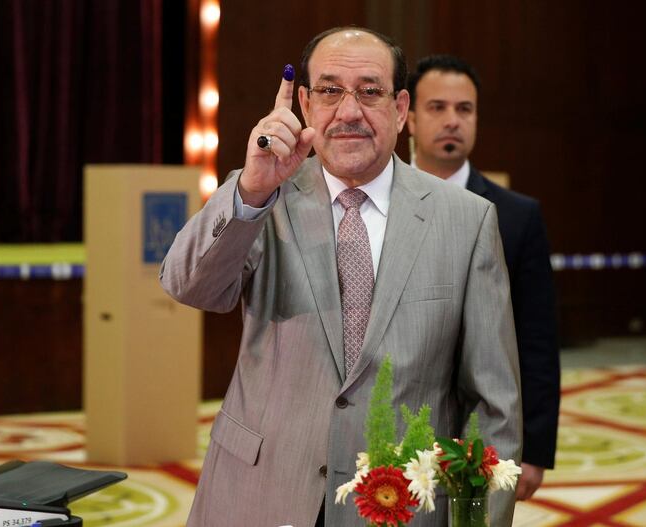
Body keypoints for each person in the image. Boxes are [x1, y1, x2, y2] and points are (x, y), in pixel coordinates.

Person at [160, 28, 521, 526]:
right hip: (262, 493)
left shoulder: (467, 220)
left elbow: (493, 404)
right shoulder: (265, 196)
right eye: (330, 91)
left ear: (399, 109)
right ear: (305, 104)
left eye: (369, 91)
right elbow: (187, 285)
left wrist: (478, 518)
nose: (349, 111)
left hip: (404, 506)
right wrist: (253, 186)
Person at [407, 54, 561, 500]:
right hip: (389, 417)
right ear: (408, 117)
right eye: (437, 108)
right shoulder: (377, 206)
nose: (452, 120)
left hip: (479, 427)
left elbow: (536, 339)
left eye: (465, 109)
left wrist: (534, 448)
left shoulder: (515, 217)